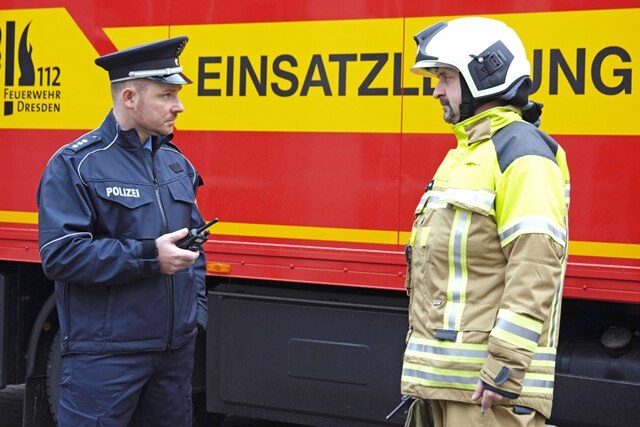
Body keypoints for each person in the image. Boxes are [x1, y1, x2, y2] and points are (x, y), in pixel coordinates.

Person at [400, 17, 570, 427]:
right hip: (445, 384)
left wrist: (505, 368)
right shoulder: (467, 152)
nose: (436, 90)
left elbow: (535, 266)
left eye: (445, 77)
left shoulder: (522, 153)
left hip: (485, 394)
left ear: (484, 75)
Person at [37, 36, 208, 426]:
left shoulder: (176, 163)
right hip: (106, 357)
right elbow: (61, 256)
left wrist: (194, 318)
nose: (178, 106)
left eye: (177, 95)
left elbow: (195, 245)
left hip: (174, 354)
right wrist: (150, 256)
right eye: (166, 95)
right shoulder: (77, 164)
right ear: (129, 97)